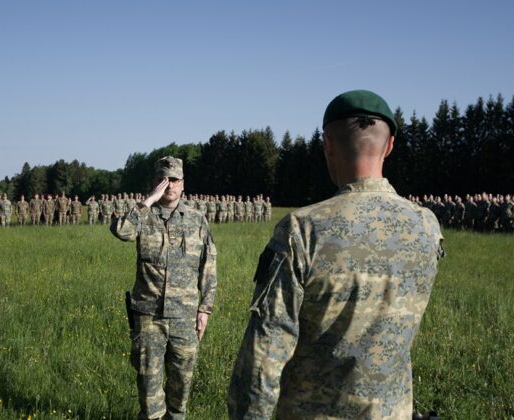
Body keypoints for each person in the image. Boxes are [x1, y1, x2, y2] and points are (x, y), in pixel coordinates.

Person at [228, 90, 444, 419]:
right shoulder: (426, 226)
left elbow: (263, 357)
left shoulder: (302, 231)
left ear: (327, 144)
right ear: (389, 146)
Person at [110, 156, 217, 419]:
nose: (169, 185)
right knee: (149, 390)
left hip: (185, 316)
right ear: (155, 183)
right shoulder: (143, 217)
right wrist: (147, 201)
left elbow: (209, 265)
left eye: (174, 180)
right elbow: (121, 231)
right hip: (149, 317)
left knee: (181, 389)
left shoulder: (196, 220)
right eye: (163, 179)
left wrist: (205, 309)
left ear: (183, 184)